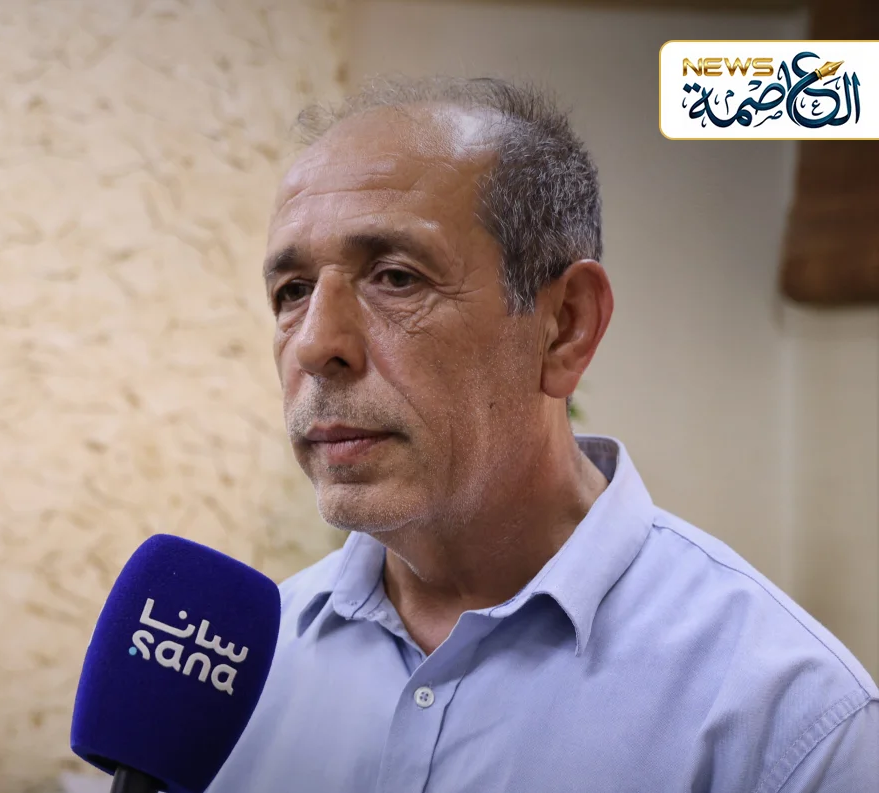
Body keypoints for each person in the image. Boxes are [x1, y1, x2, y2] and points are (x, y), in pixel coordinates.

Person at [206, 76, 878, 793]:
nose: (316, 345)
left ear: (565, 326)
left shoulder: (789, 722)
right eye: (292, 292)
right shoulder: (233, 671)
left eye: (396, 278)